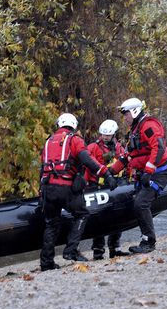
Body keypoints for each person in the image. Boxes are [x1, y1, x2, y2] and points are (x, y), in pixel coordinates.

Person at [40, 113, 118, 271]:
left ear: (59, 124)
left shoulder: (48, 141)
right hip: (65, 187)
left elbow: (42, 168)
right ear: (73, 125)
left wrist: (41, 193)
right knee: (82, 214)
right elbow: (87, 160)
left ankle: (46, 262)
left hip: (48, 188)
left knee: (51, 224)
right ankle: (70, 250)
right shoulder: (74, 139)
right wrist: (106, 174)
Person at [110, 98, 167, 253]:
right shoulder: (135, 130)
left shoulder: (148, 126)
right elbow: (127, 156)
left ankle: (149, 242)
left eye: (126, 114)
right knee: (137, 205)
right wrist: (110, 172)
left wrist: (149, 171)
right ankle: (145, 239)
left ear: (135, 111)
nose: (125, 118)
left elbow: (157, 148)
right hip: (145, 174)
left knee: (141, 204)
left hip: (158, 173)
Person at [86, 119, 130, 260]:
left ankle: (114, 247)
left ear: (114, 134)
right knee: (98, 219)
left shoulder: (120, 149)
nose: (105, 137)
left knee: (118, 216)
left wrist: (130, 177)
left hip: (115, 186)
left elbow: (126, 163)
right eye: (103, 135)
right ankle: (98, 251)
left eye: (108, 135)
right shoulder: (93, 147)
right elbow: (89, 164)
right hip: (96, 186)